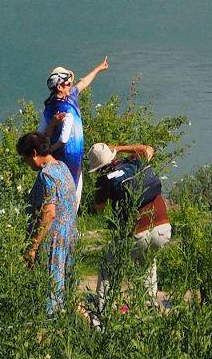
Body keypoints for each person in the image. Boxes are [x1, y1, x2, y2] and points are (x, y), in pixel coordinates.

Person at [87, 141, 171, 300]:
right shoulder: (135, 161)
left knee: (107, 264)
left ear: (97, 168)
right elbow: (148, 148)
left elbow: (99, 209)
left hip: (138, 232)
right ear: (112, 156)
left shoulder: (104, 180)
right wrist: (119, 149)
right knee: (147, 261)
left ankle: (102, 307)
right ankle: (149, 305)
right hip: (163, 227)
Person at [16, 130, 79, 315]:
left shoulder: (47, 175)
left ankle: (51, 323)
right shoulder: (62, 167)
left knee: (52, 291)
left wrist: (33, 246)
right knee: (67, 291)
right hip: (69, 235)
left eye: (25, 158)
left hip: (53, 242)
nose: (27, 163)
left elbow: (49, 213)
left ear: (34, 153)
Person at [39, 58, 109, 198]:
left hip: (75, 157)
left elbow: (84, 83)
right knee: (67, 193)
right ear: (59, 87)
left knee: (71, 192)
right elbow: (42, 136)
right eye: (68, 83)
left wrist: (98, 68)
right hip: (64, 158)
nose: (71, 85)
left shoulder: (69, 96)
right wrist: (53, 129)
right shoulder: (53, 109)